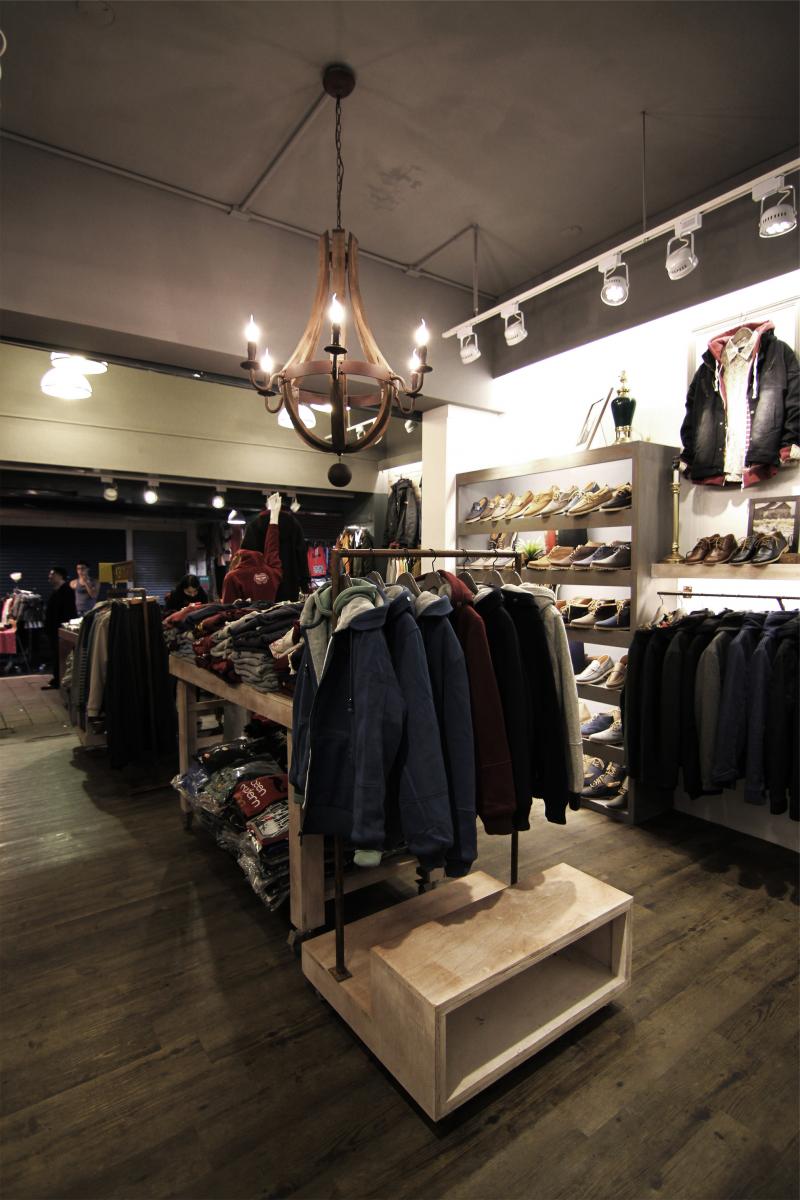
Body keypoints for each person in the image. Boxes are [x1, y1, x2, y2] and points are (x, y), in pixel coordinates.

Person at [222, 492, 283, 602]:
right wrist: (274, 516)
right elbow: (272, 549)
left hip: (244, 614)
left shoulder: (233, 577)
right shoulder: (273, 572)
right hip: (272, 613)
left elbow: (228, 609)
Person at [43, 566, 77, 689]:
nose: (49, 577)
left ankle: (59, 680)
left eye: (52, 574)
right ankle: (57, 679)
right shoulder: (56, 591)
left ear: (59, 576)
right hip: (53, 630)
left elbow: (69, 612)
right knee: (56, 654)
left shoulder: (67, 591)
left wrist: (64, 628)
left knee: (61, 655)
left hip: (60, 630)